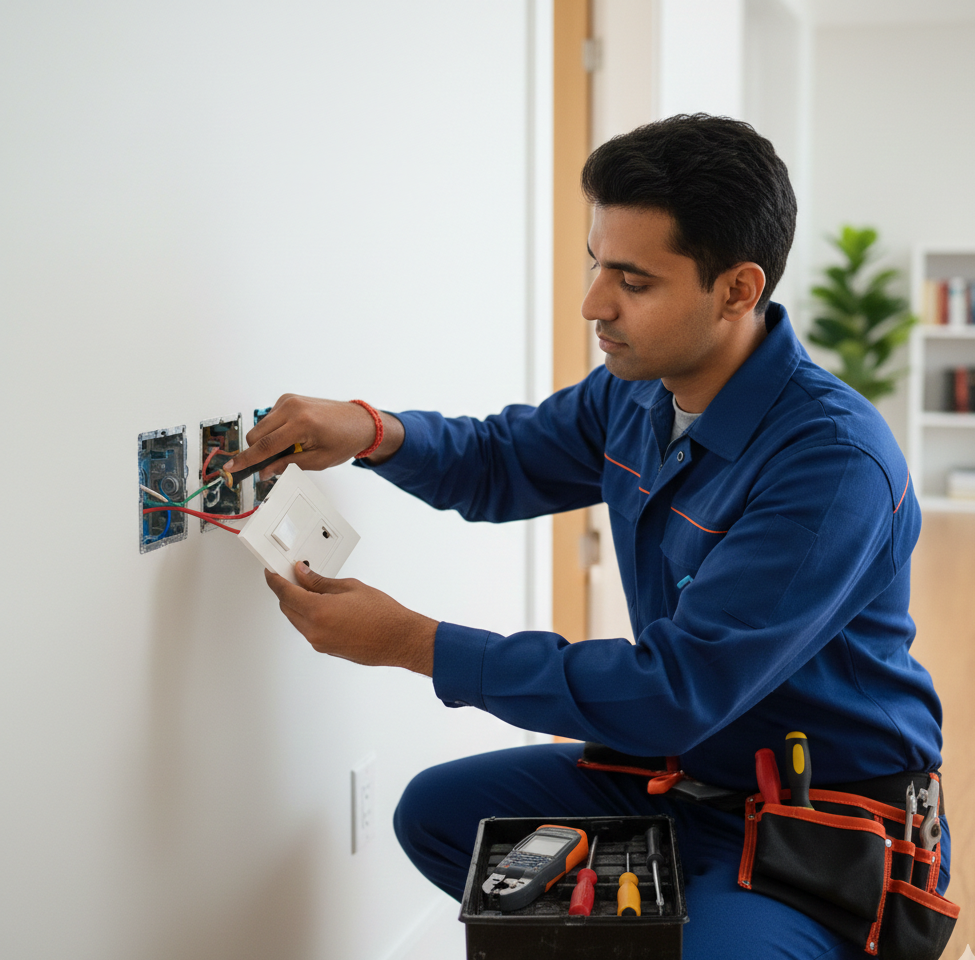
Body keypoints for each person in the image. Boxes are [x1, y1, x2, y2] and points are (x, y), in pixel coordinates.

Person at [223, 115, 949, 959]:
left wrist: (416, 644)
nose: (592, 304)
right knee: (439, 817)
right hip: (680, 776)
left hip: (815, 820)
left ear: (737, 290)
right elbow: (499, 460)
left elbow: (674, 687)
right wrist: (374, 430)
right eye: (597, 262)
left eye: (633, 281)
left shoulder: (831, 465)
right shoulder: (635, 393)